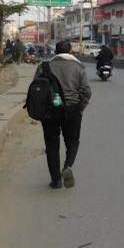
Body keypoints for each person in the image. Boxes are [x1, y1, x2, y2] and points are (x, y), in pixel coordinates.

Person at [34, 41, 91, 189]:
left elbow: (37, 88)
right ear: (70, 52)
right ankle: (68, 166)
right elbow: (86, 91)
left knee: (51, 143)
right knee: (72, 141)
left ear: (55, 52)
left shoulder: (44, 67)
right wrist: (80, 108)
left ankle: (56, 180)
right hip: (72, 109)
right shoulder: (78, 68)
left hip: (50, 110)